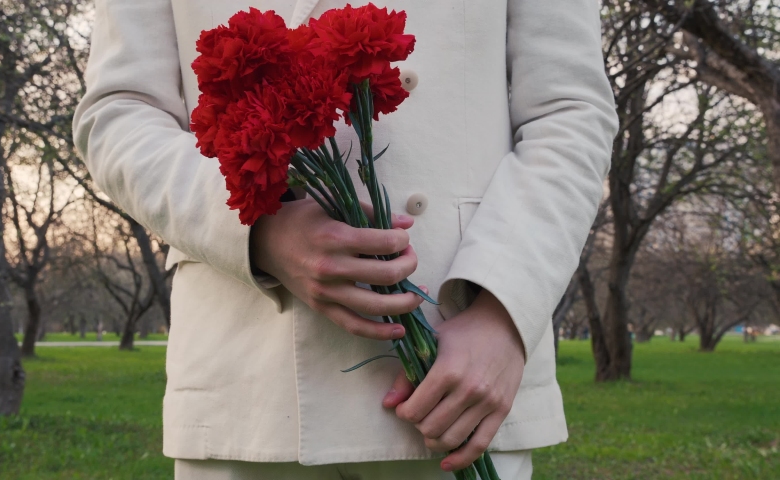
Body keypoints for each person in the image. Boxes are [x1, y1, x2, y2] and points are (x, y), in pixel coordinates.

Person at [73, 0, 618, 478]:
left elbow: (568, 112)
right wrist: (256, 225)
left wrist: (504, 311)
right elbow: (119, 113)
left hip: (460, 374)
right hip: (248, 379)